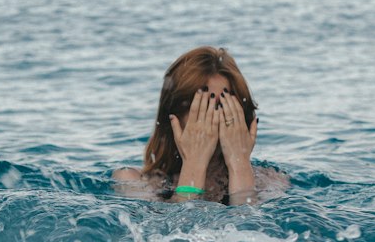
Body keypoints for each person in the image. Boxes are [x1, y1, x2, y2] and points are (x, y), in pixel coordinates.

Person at [114, 46, 288, 204]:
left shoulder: (271, 180)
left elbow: (251, 229)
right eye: (201, 107)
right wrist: (194, 164)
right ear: (172, 118)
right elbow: (177, 230)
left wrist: (239, 164)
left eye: (222, 105)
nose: (213, 117)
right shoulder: (134, 180)